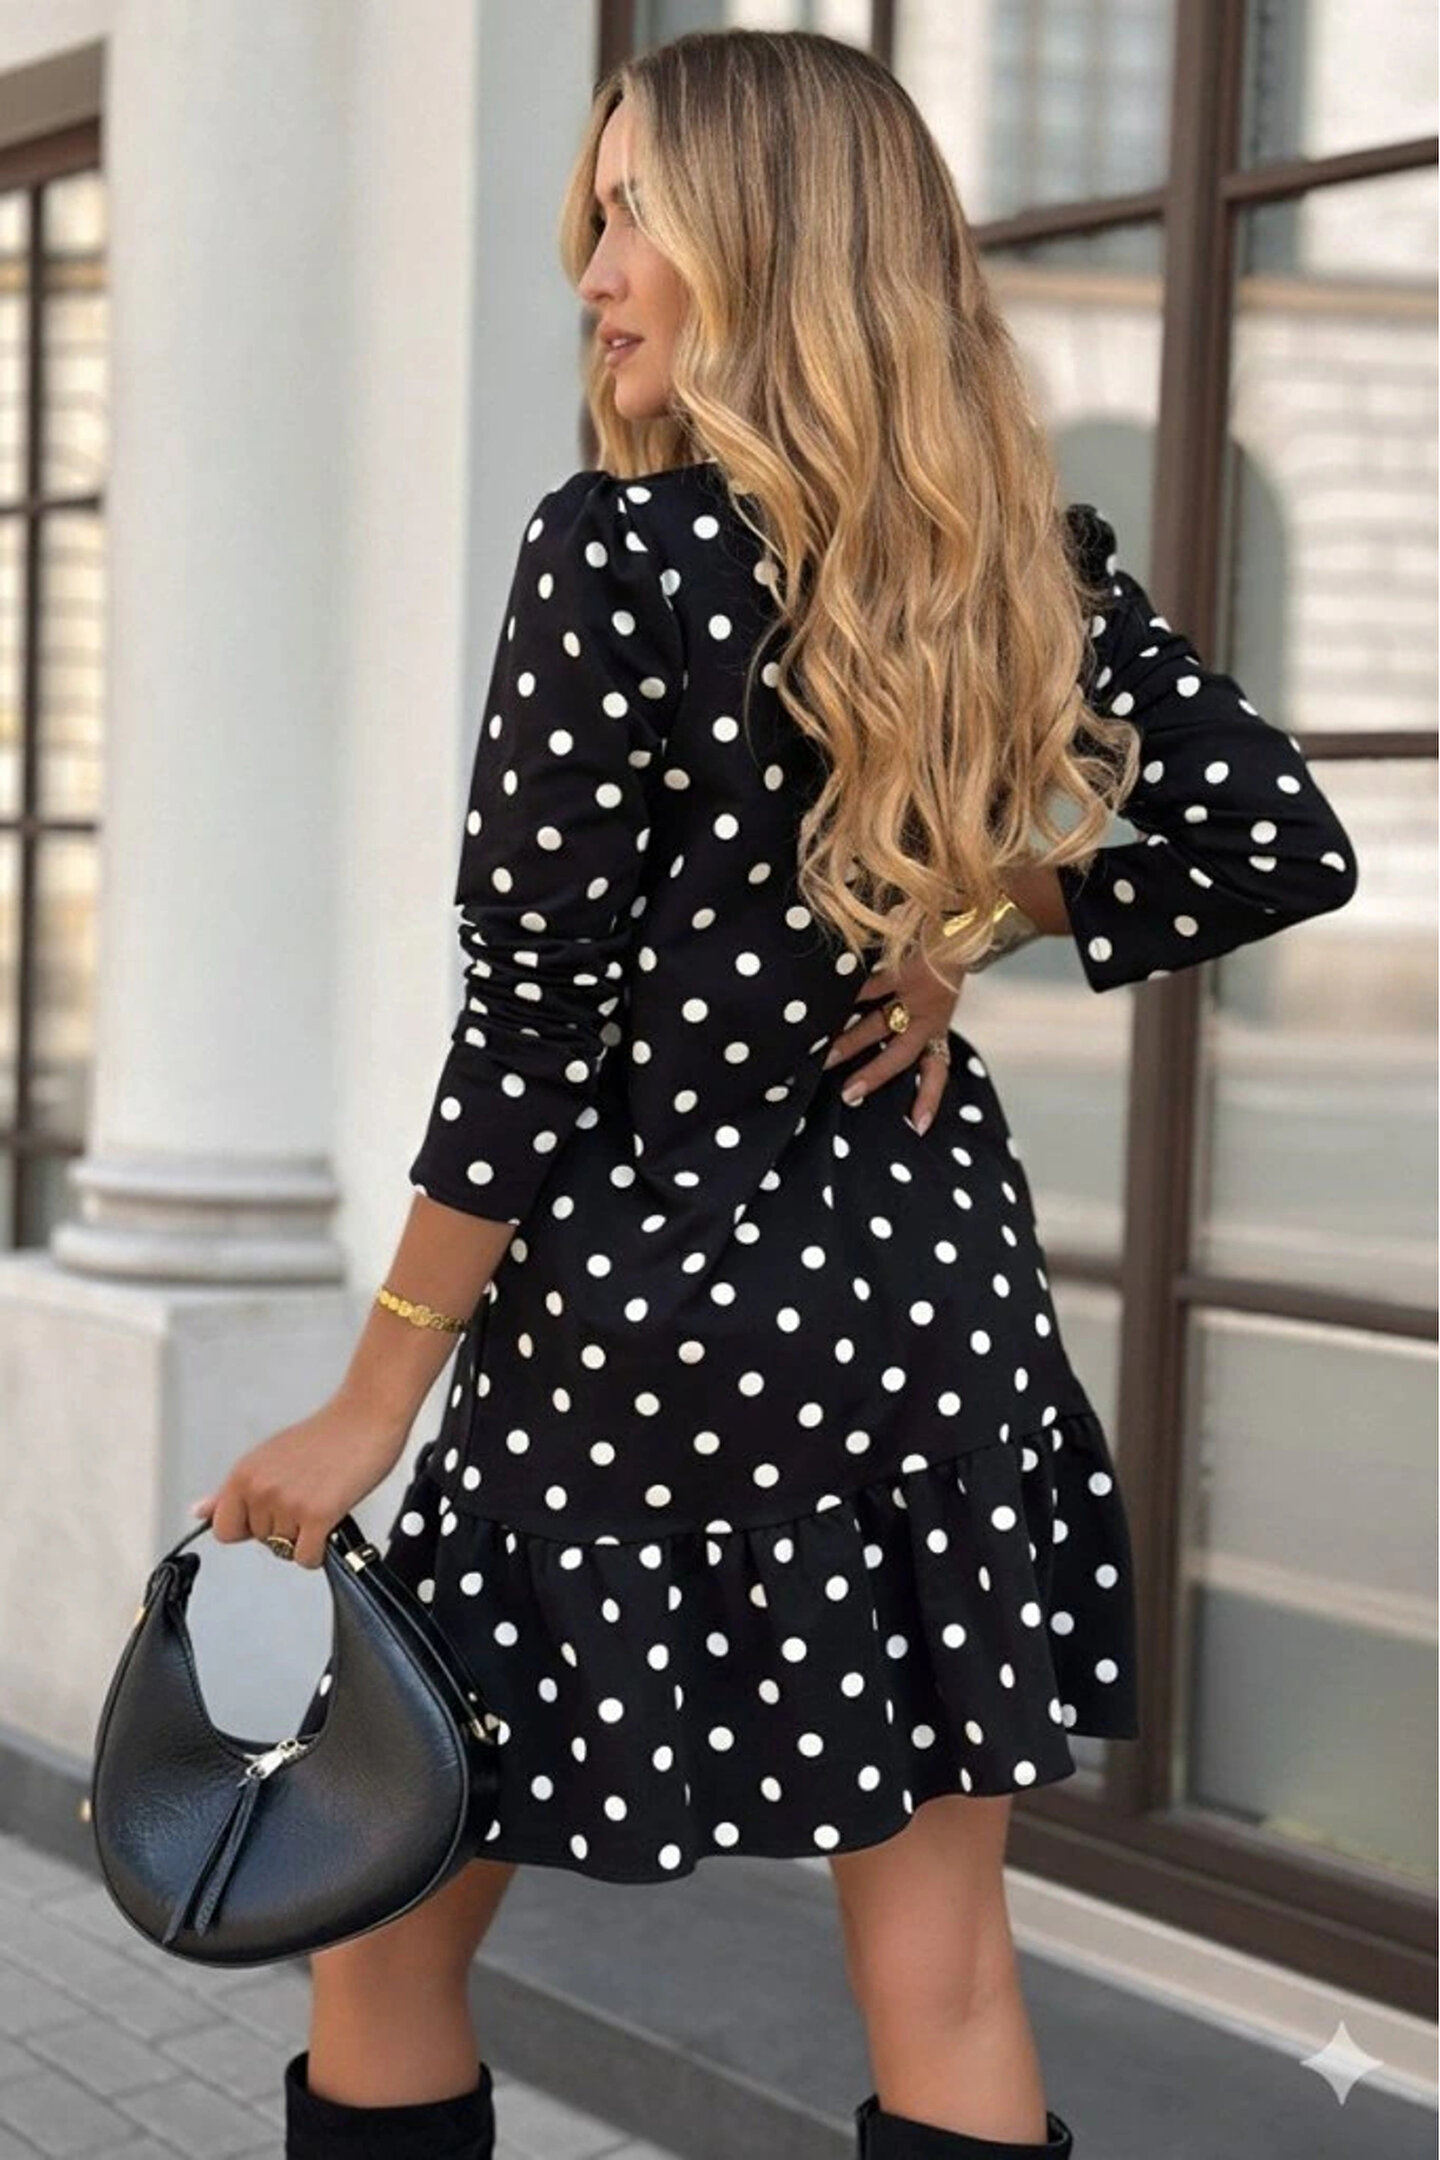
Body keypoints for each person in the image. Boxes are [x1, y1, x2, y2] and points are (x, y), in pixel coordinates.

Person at [189, 29, 1359, 2160]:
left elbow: (534, 1027)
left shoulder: (613, 555)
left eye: (639, 214)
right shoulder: (1010, 557)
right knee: (947, 1967)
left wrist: (374, 1397)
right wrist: (979, 914)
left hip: (637, 1330)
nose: (594, 269)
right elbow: (1277, 840)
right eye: (594, 214)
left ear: (775, 247)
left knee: (379, 1926)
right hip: (920, 1307)